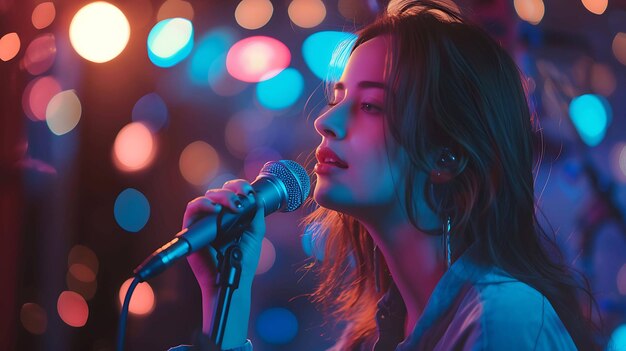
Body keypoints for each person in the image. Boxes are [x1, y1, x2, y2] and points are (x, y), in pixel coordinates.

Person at [173, 1, 603, 350]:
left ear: (447, 156)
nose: (325, 122)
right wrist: (226, 292)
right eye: (338, 97)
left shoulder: (505, 321)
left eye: (371, 106)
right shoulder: (368, 338)